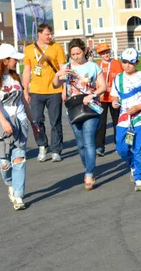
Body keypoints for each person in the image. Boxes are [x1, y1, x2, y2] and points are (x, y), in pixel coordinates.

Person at [0, 44, 40, 210]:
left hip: (20, 121)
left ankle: (18, 195)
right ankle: (10, 184)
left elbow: (23, 100)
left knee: (19, 160)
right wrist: (3, 120)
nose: (17, 61)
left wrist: (33, 122)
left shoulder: (16, 77)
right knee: (4, 164)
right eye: (14, 59)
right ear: (5, 60)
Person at [53, 39, 106, 190]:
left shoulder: (93, 66)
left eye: (78, 53)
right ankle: (88, 166)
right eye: (73, 54)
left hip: (91, 106)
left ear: (84, 51)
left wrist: (93, 94)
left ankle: (89, 173)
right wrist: (58, 74)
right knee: (80, 143)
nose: (76, 56)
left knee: (89, 140)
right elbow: (55, 84)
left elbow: (103, 86)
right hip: (73, 108)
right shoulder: (67, 67)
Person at [110, 48, 141, 192]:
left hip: (140, 118)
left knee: (139, 149)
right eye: (124, 62)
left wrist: (138, 107)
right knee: (121, 148)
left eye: (131, 63)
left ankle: (139, 177)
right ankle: (132, 165)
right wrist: (114, 102)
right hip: (124, 118)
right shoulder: (118, 78)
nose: (127, 65)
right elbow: (114, 96)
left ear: (137, 62)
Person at [22, 24, 66, 162]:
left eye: (51, 34)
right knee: (36, 120)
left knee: (55, 121)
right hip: (36, 90)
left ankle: (56, 149)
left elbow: (63, 69)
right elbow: (27, 70)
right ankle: (42, 145)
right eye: (47, 34)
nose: (50, 36)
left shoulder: (56, 47)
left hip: (54, 90)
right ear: (39, 34)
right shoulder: (29, 49)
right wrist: (25, 90)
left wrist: (64, 89)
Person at [95, 42, 123, 156]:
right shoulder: (97, 65)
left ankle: (119, 144)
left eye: (107, 52)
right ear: (100, 54)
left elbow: (121, 79)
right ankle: (100, 146)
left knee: (117, 121)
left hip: (114, 97)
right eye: (103, 53)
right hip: (101, 98)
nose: (106, 54)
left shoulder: (116, 63)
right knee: (101, 122)